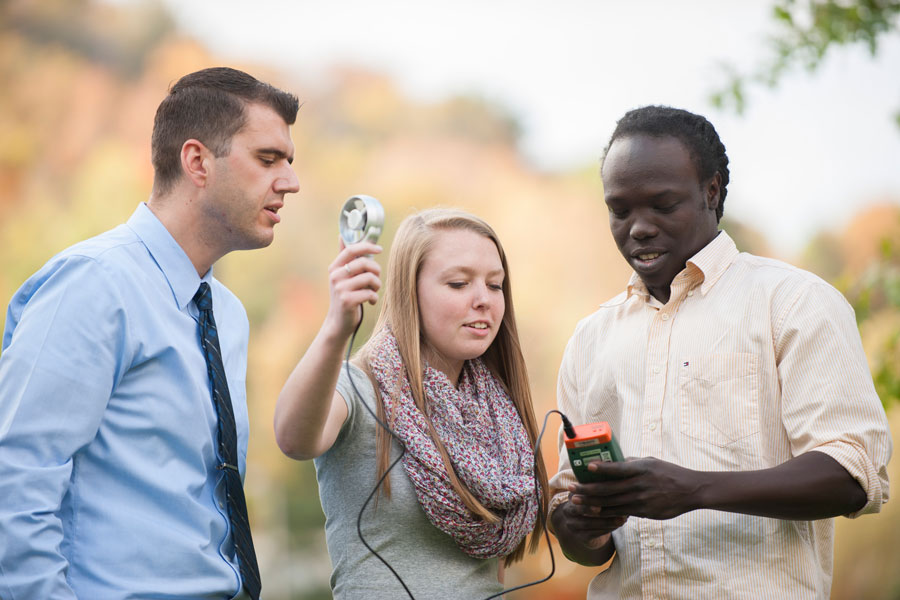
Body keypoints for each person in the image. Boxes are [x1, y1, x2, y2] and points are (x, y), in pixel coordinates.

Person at [549, 105, 892, 599]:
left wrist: (693, 489)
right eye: (620, 210)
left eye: (662, 205)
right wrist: (575, 525)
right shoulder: (591, 337)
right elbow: (590, 550)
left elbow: (852, 474)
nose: (638, 228)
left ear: (711, 191)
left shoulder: (793, 303)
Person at [0, 67, 300, 600]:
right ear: (196, 161)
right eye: (267, 159)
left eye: (288, 163)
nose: (290, 182)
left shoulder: (227, 316)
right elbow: (15, 475)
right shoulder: (95, 285)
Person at [274, 208, 550, 598]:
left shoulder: (497, 414)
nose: (483, 300)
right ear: (408, 291)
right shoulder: (360, 387)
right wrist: (337, 325)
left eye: (495, 285)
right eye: (458, 284)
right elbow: (292, 437)